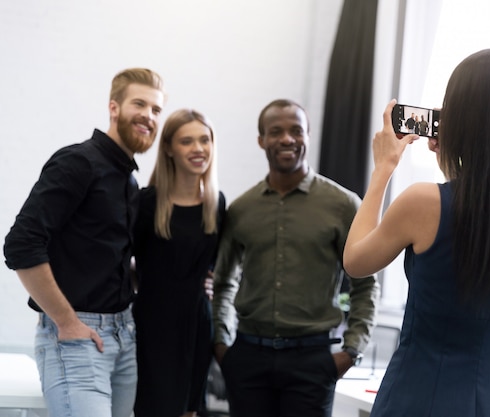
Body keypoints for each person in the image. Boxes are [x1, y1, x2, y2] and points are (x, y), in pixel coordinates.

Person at [343, 48, 490, 417]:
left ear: (462, 120)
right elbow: (482, 218)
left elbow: (355, 261)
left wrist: (384, 167)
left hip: (419, 398)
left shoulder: (424, 202)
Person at [3, 68, 165, 417]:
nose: (149, 116)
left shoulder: (129, 182)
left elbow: (109, 261)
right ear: (114, 107)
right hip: (77, 337)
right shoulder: (79, 162)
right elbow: (21, 244)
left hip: (124, 335)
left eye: (156, 110)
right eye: (140, 104)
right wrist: (66, 321)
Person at [212, 99, 380, 417]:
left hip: (312, 361)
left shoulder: (343, 205)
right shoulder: (241, 209)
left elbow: (365, 284)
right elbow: (223, 283)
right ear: (262, 140)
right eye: (276, 131)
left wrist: (352, 350)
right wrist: (221, 345)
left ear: (308, 135)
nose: (287, 139)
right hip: (248, 359)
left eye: (296, 130)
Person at [132, 109, 226, 417]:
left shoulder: (217, 203)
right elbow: (122, 261)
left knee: (190, 410)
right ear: (169, 148)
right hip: (151, 325)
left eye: (204, 140)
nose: (198, 149)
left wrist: (210, 280)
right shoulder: (146, 202)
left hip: (197, 324)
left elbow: (217, 264)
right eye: (187, 141)